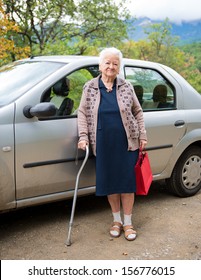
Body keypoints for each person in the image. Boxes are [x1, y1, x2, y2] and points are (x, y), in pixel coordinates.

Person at [77, 47, 147, 241]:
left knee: (126, 184)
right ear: (100, 65)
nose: (111, 66)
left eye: (115, 63)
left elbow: (138, 112)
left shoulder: (126, 86)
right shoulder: (90, 87)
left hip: (126, 144)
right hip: (103, 144)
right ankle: (116, 220)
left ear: (119, 67)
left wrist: (142, 135)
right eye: (107, 62)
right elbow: (82, 113)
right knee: (111, 184)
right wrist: (83, 137)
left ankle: (128, 222)